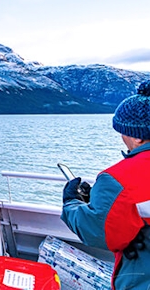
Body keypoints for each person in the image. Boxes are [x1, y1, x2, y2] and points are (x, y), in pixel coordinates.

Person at [61, 80, 150, 290]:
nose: (122, 138)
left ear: (137, 137)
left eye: (123, 131)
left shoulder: (120, 178)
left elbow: (99, 233)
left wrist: (71, 203)